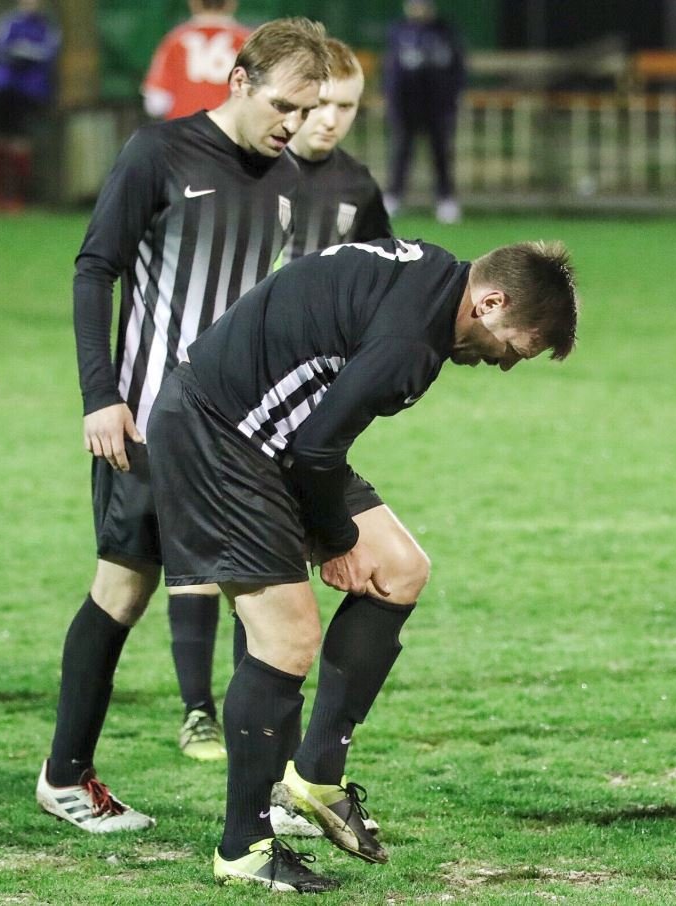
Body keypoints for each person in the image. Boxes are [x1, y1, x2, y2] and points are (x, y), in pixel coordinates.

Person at [147, 238, 578, 891]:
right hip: (220, 436)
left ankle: (317, 773)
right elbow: (317, 450)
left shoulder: (436, 276)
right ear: (490, 302)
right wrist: (336, 540)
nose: (508, 365)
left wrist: (336, 534)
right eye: (517, 347)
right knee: (286, 637)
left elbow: (317, 438)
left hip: (272, 434)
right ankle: (243, 846)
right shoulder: (412, 346)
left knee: (402, 567)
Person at [34, 18, 330, 832]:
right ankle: (65, 777)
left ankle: (271, 795)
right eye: (283, 105)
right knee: (122, 591)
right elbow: (96, 268)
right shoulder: (158, 154)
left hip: (235, 434)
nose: (294, 125)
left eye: (307, 112)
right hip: (146, 423)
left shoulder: (287, 183)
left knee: (265, 600)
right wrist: (101, 396)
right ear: (238, 83)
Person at [285, 38, 391, 260]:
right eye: (320, 104)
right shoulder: (252, 169)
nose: (331, 121)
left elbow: (378, 270)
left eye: (345, 106)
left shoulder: (360, 185)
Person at [383, 0, 465, 224]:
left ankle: (445, 200)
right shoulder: (398, 30)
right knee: (401, 154)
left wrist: (454, 96)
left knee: (441, 155)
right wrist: (391, 100)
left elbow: (458, 67)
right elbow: (391, 70)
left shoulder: (445, 31)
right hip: (406, 106)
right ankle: (393, 197)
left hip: (438, 106)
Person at [0, 0, 61, 211]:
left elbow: (49, 53)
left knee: (21, 144)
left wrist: (24, 51)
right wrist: (22, 52)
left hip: (29, 92)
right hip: (3, 88)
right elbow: (0, 48)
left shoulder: (47, 27)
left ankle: (17, 198)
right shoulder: (9, 22)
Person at [141, 0, 251, 121]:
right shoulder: (248, 41)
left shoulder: (175, 41)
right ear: (231, 3)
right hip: (231, 132)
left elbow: (156, 104)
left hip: (184, 131)